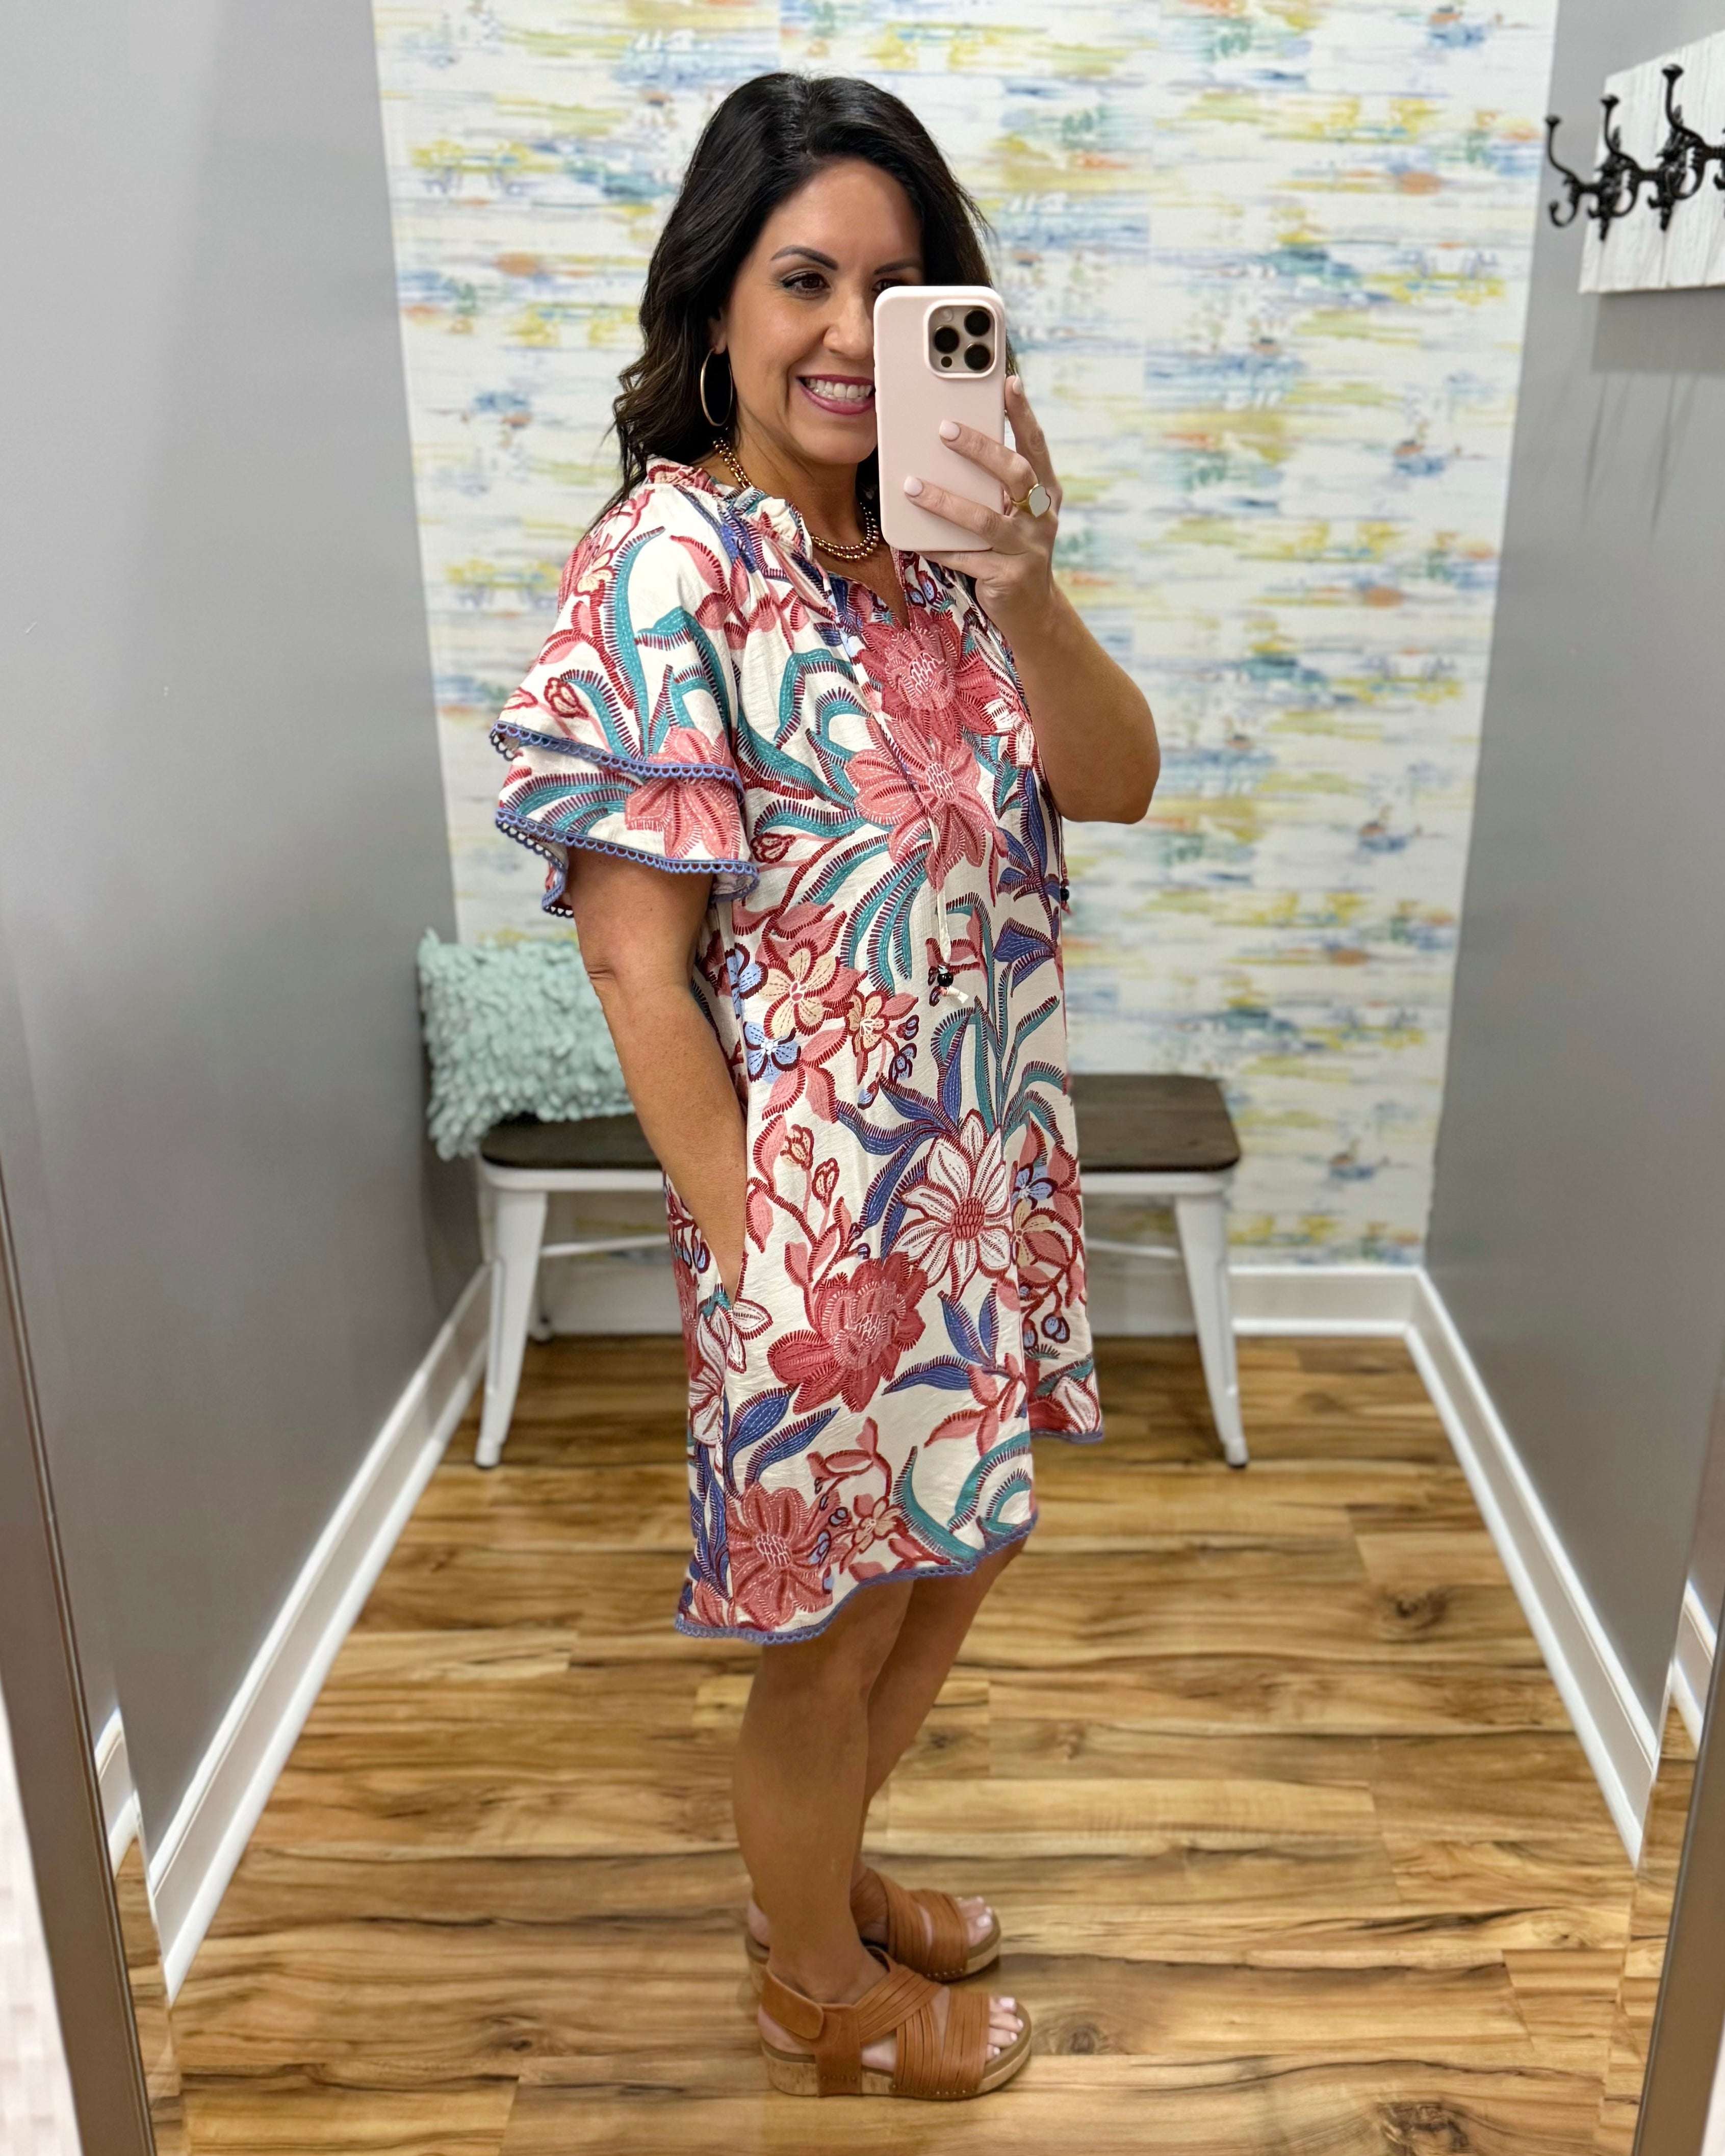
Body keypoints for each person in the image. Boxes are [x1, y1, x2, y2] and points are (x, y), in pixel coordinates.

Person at [492, 70, 1159, 2104]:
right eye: (804, 279)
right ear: (718, 302)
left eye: (898, 287)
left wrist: (1026, 577)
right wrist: (757, 1254)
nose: (849, 332)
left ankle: (828, 1874)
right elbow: (637, 962)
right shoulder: (670, 560)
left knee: (966, 1541)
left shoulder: (937, 555)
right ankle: (814, 1981)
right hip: (816, 1221)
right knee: (837, 1622)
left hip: (980, 1175)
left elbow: (1117, 778)